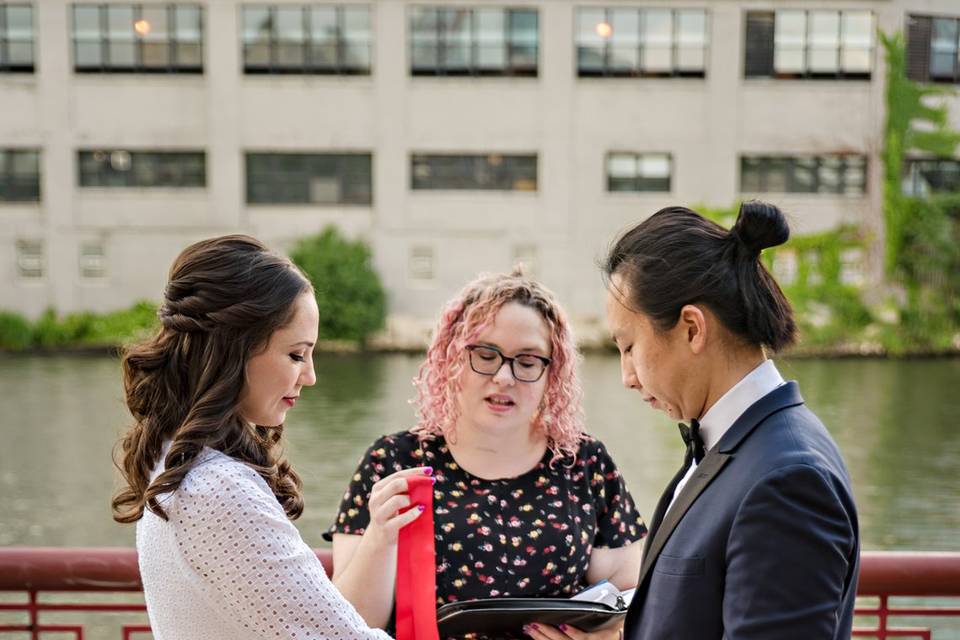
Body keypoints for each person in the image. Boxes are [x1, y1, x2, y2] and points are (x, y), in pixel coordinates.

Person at [325, 269, 647, 639]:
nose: (504, 377)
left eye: (527, 362)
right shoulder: (394, 461)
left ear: (551, 375)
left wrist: (607, 636)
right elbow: (349, 624)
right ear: (452, 359)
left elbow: (629, 593)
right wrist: (380, 536)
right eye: (486, 354)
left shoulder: (583, 462)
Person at [596, 202, 859, 640]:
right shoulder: (743, 444)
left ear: (693, 329)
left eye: (629, 348)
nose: (627, 377)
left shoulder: (789, 480)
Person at [111, 235, 393, 640]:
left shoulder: (173, 460)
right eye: (296, 354)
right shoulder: (220, 489)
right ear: (234, 348)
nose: (310, 376)